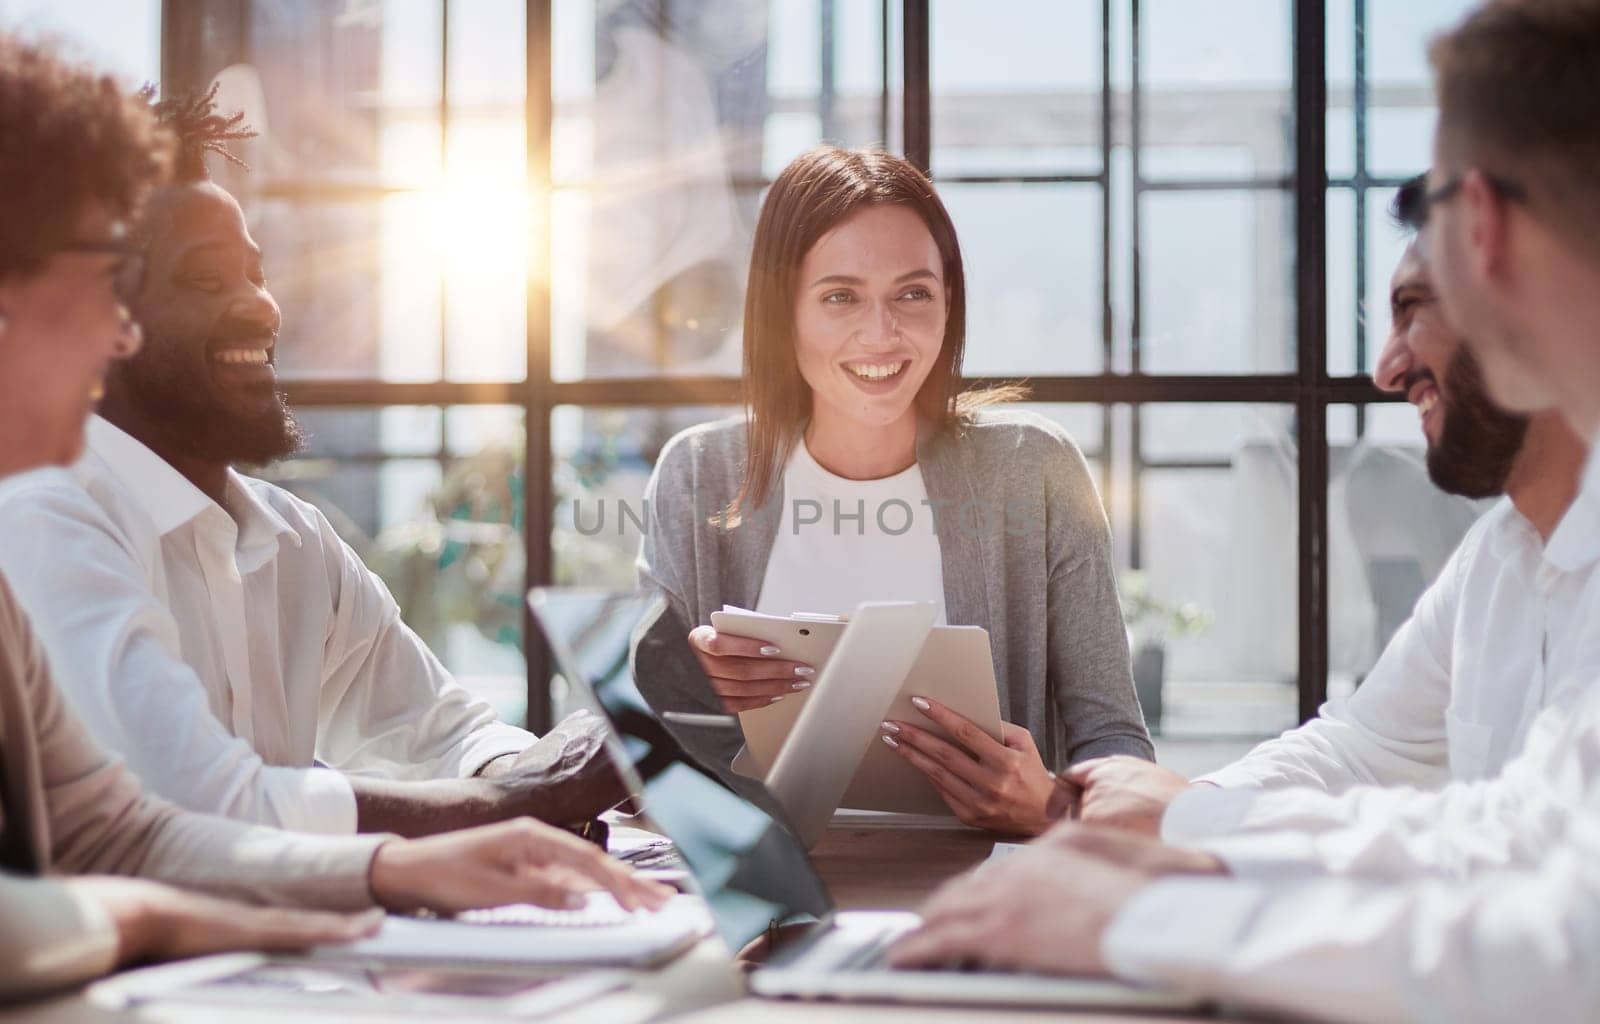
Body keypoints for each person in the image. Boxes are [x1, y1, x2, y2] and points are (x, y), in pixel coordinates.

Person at [891, 5, 1600, 1021]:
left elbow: (1566, 947)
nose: (1383, 367)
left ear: (1477, 222)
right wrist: (1192, 842)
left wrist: (1144, 916)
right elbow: (1502, 832)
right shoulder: (1505, 554)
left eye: (1423, 207)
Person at [0, 36, 665, 1001]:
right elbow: (153, 840)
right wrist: (503, 805)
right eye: (111, 276)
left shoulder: (259, 537)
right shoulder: (40, 517)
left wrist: (401, 866)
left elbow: (114, 831)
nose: (120, 327)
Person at [632, 145, 1152, 836]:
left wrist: (1049, 806)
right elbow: (637, 753)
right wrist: (691, 691)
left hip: (983, 902)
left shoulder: (1033, 468)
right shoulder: (699, 474)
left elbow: (1116, 743)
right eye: (840, 296)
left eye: (913, 294)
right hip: (772, 899)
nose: (882, 334)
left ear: (948, 303)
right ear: (782, 311)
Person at [1063, 175, 1597, 841]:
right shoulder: (1495, 557)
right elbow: (1358, 748)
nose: (1384, 370)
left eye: (1411, 310)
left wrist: (1190, 817)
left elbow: (1538, 854)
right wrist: (1180, 802)